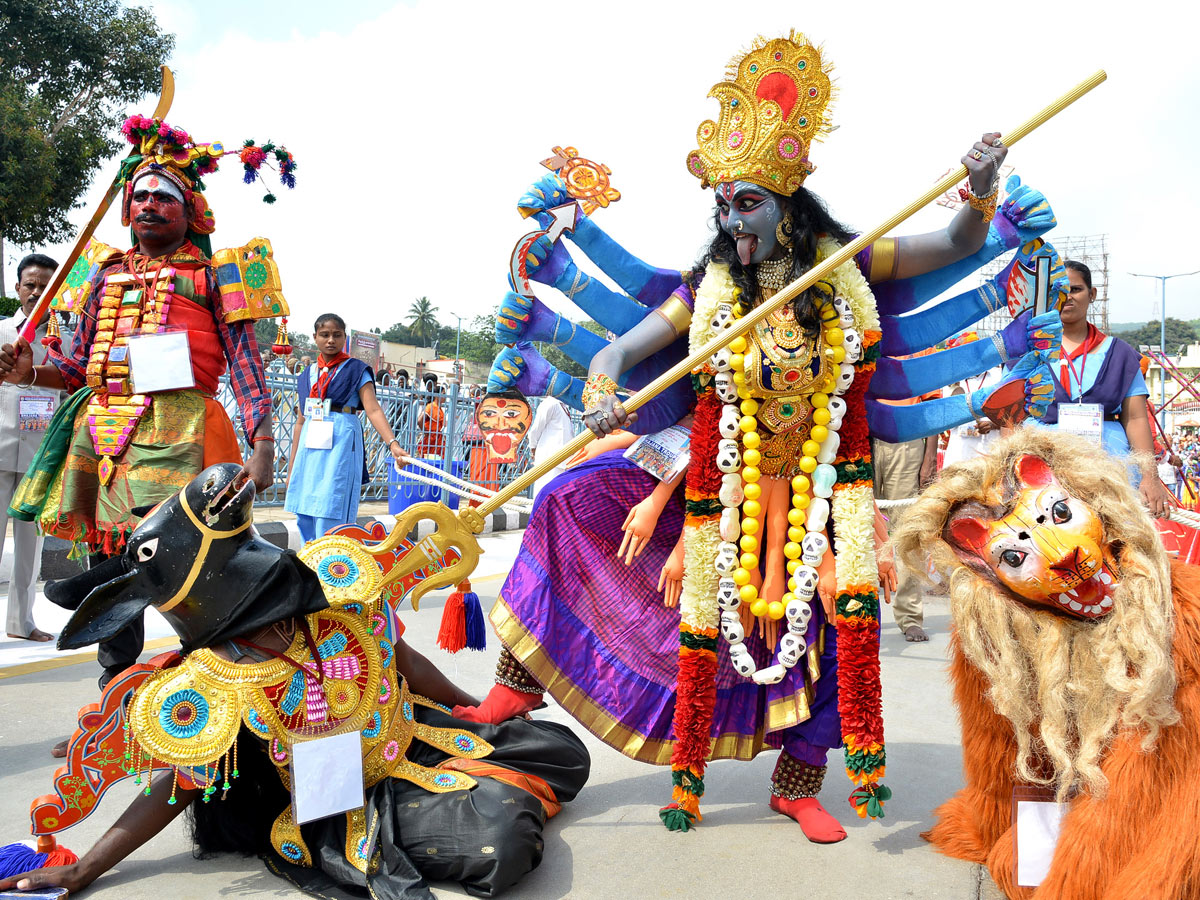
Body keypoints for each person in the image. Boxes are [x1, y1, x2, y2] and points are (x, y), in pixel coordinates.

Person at [461, 31, 1061, 840]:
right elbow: (620, 348)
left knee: (835, 627)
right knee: (572, 501)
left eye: (749, 202)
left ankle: (798, 784)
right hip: (716, 483)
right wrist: (602, 388)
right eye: (725, 203)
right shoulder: (707, 289)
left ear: (789, 205)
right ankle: (514, 685)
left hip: (820, 490)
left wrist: (979, 190)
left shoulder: (845, 264)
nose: (733, 218)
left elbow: (953, 243)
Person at [0, 464, 589, 900]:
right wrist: (87, 869)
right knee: (505, 836)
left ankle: (469, 783)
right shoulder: (212, 681)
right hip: (342, 801)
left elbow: (403, 661)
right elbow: (174, 786)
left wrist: (476, 712)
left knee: (559, 750)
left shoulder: (330, 590)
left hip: (409, 741)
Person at [0, 115, 283, 696]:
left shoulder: (214, 277)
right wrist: (33, 371)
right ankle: (118, 701)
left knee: (186, 570)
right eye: (141, 196)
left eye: (164, 196)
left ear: (189, 211)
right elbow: (78, 367)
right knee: (108, 569)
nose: (150, 203)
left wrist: (263, 446)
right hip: (101, 436)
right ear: (128, 209)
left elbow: (249, 368)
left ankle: (209, 698)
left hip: (182, 434)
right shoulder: (99, 276)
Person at [1040, 259, 1175, 516]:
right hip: (1043, 471)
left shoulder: (1121, 354)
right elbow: (1011, 421)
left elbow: (1135, 418)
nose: (1067, 297)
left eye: (1076, 289)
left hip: (1112, 472)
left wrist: (1150, 477)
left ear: (1092, 294)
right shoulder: (1029, 351)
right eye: (1058, 291)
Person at [285, 313, 407, 543]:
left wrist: (393, 444)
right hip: (309, 446)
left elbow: (373, 410)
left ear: (344, 338)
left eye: (336, 335)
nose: (330, 340)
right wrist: (292, 468)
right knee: (305, 509)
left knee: (333, 503)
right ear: (315, 337)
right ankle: (309, 565)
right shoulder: (307, 374)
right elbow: (301, 421)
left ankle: (332, 566)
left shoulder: (356, 370)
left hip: (341, 442)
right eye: (325, 335)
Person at [1, 253, 61, 641]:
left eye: (45, 287)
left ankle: (22, 624)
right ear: (18, 288)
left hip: (41, 455)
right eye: (30, 285)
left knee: (30, 548)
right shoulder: (3, 333)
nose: (36, 293)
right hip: (0, 449)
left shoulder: (65, 340)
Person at [527, 395, 575, 496]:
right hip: (549, 456)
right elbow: (536, 429)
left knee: (558, 492)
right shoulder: (549, 404)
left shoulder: (563, 405)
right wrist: (533, 447)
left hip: (562, 458)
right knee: (545, 489)